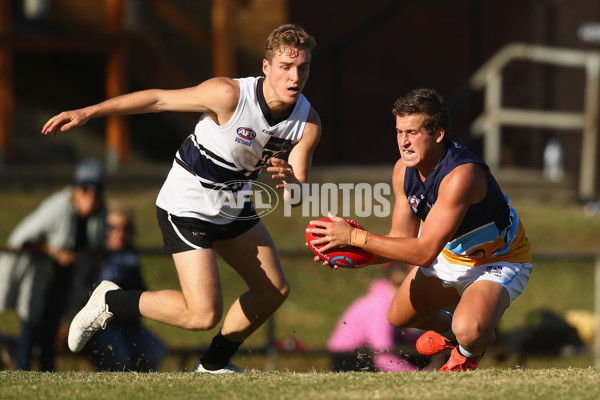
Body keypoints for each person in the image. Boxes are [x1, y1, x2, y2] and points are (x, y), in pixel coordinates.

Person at [41, 24, 321, 374]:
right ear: (266, 68)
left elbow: (297, 196)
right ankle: (111, 300)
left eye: (303, 67)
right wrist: (88, 112)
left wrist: (293, 182)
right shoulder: (228, 94)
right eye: (286, 67)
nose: (295, 76)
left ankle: (213, 364)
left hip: (233, 206)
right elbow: (158, 99)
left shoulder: (307, 123)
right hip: (188, 204)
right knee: (202, 315)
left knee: (273, 291)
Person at [307, 88, 532, 372]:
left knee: (470, 330)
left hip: (495, 260)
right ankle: (460, 337)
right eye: (399, 132)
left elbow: (424, 252)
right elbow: (402, 241)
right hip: (448, 254)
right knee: (398, 316)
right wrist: (351, 253)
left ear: (438, 134)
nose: (404, 142)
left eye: (412, 132)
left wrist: (355, 237)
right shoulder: (403, 170)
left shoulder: (462, 175)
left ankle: (469, 349)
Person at [0, 158, 107, 371]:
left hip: (65, 278)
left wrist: (75, 256)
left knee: (51, 329)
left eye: (95, 190)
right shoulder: (59, 207)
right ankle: (23, 373)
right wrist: (53, 251)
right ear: (77, 188)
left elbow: (94, 248)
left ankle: (47, 373)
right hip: (37, 274)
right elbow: (22, 239)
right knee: (31, 326)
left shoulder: (98, 215)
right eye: (85, 188)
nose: (89, 195)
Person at [83, 201, 167, 372]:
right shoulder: (93, 253)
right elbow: (79, 293)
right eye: (112, 227)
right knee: (118, 355)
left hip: (129, 324)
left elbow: (141, 290)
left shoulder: (129, 255)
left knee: (156, 351)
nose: (119, 233)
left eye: (125, 228)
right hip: (100, 326)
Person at [328, 262, 427, 372]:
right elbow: (383, 355)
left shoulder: (390, 300)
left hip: (365, 352)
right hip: (348, 357)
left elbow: (406, 337)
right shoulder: (380, 305)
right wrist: (418, 373)